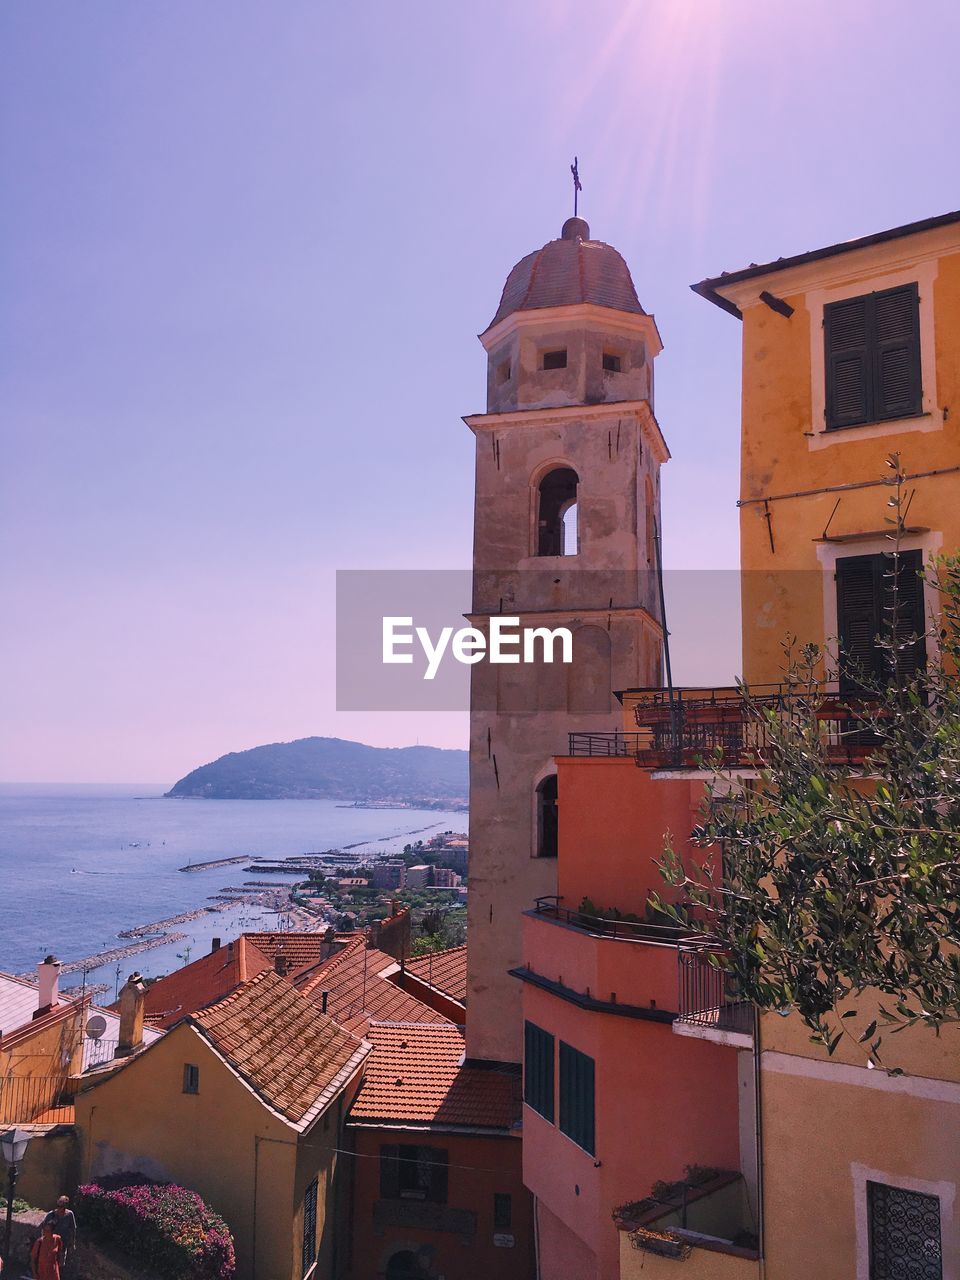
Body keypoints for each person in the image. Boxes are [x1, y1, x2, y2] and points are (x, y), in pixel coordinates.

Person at [41, 1197, 76, 1269]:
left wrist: (73, 1243)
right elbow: (44, 1229)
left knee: (60, 1264)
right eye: (58, 1206)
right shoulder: (51, 1215)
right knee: (50, 1264)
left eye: (62, 1206)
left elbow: (73, 1229)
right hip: (51, 1244)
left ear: (65, 1207)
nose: (60, 1208)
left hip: (63, 1243)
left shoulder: (69, 1215)